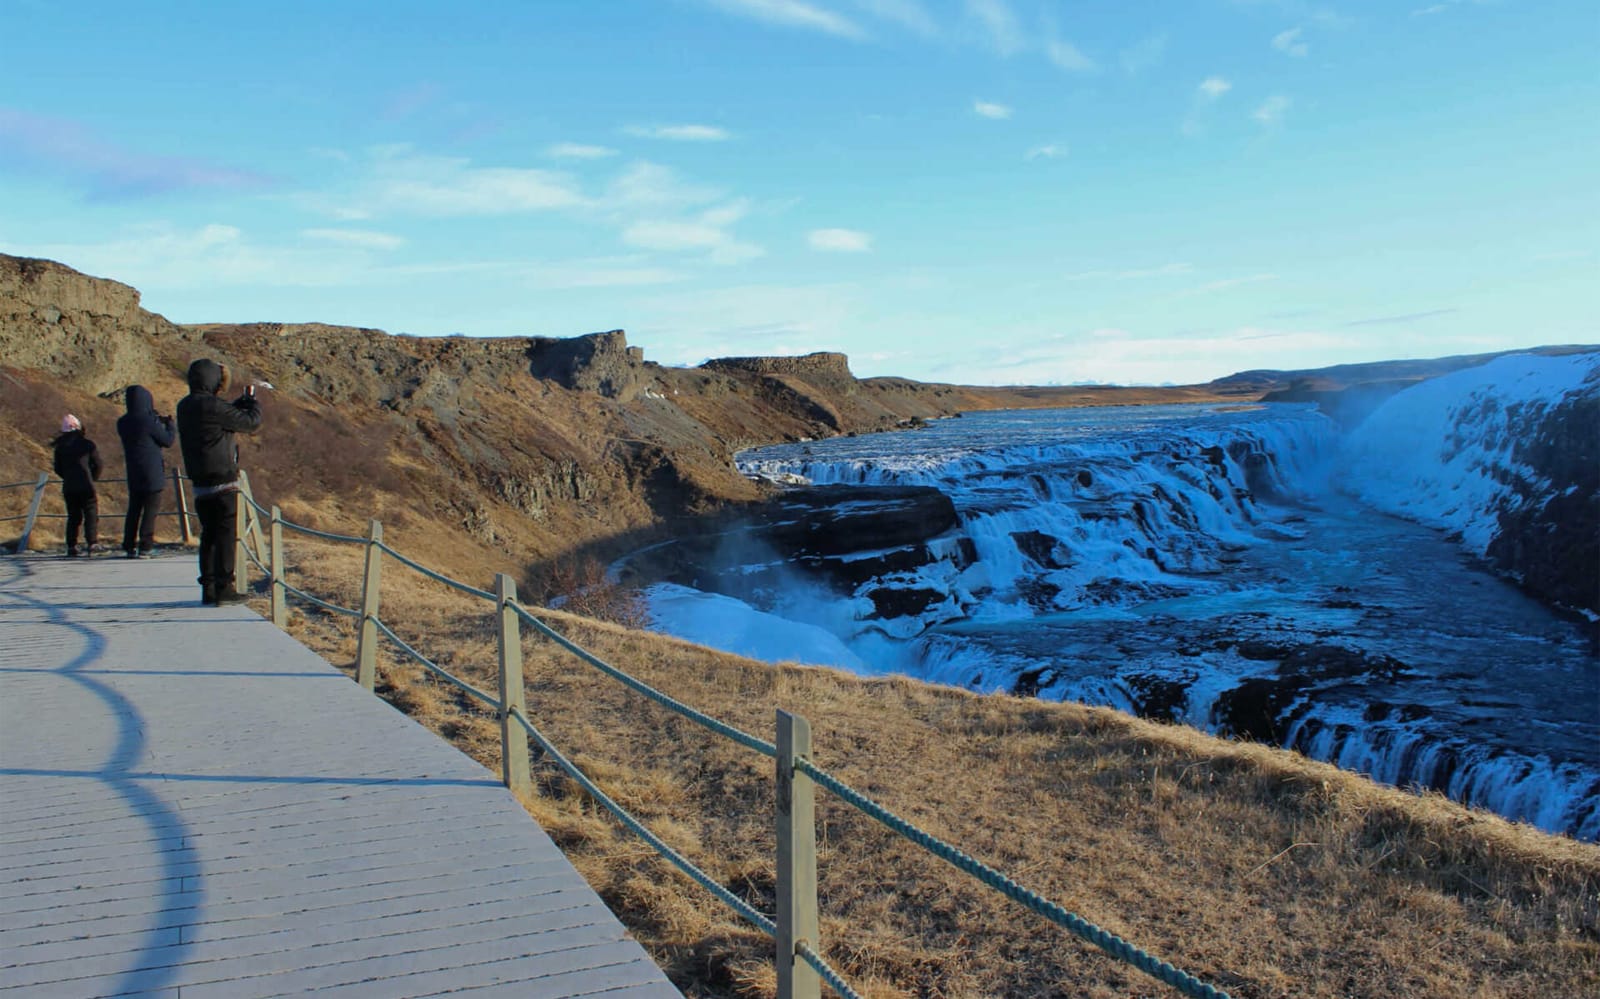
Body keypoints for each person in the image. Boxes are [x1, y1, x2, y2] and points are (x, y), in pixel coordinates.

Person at [176, 360, 262, 605]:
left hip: (200, 480)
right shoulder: (213, 406)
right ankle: (225, 587)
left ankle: (209, 588)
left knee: (209, 535)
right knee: (225, 535)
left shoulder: (185, 405)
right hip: (222, 479)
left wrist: (236, 406)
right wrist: (252, 404)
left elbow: (217, 417)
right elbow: (250, 423)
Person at [116, 384, 176, 558]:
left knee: (134, 510)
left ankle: (129, 545)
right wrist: (170, 426)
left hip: (133, 471)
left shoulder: (123, 422)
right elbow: (167, 441)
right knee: (150, 511)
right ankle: (145, 546)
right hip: (152, 472)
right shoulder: (149, 421)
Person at [52, 414, 102, 557]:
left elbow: (57, 468)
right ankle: (92, 543)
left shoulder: (60, 447)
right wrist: (93, 478)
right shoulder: (88, 444)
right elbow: (98, 464)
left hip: (69, 486)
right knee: (91, 513)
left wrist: (67, 477)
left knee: (73, 516)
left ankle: (72, 545)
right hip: (86, 485)